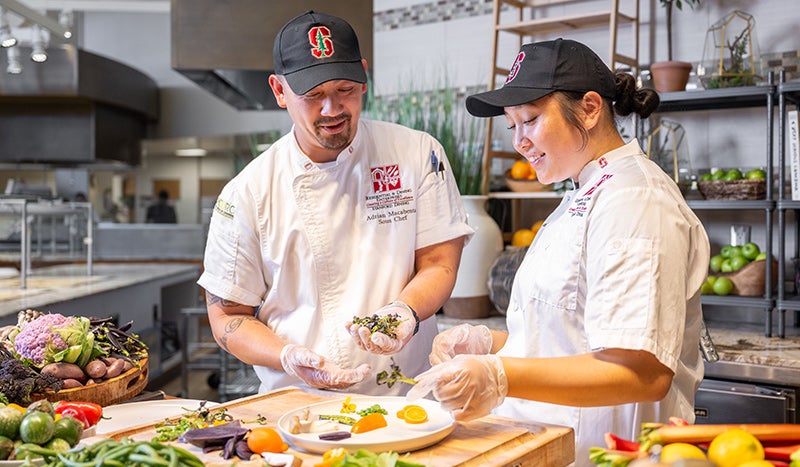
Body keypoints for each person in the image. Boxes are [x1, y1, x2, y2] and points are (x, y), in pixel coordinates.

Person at [407, 38, 710, 465]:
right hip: (548, 447)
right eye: (512, 126)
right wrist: (486, 344)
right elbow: (568, 337)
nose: (520, 143)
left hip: (603, 454)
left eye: (529, 120)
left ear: (589, 108)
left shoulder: (636, 201)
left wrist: (499, 375)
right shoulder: (582, 192)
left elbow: (642, 373)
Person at [197, 10, 472, 396]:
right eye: (313, 96)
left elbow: (439, 263)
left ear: (363, 77)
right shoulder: (248, 191)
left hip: (410, 397)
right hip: (295, 405)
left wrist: (402, 312)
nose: (332, 110)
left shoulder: (416, 153)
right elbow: (228, 316)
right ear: (279, 91)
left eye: (345, 88)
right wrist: (287, 355)